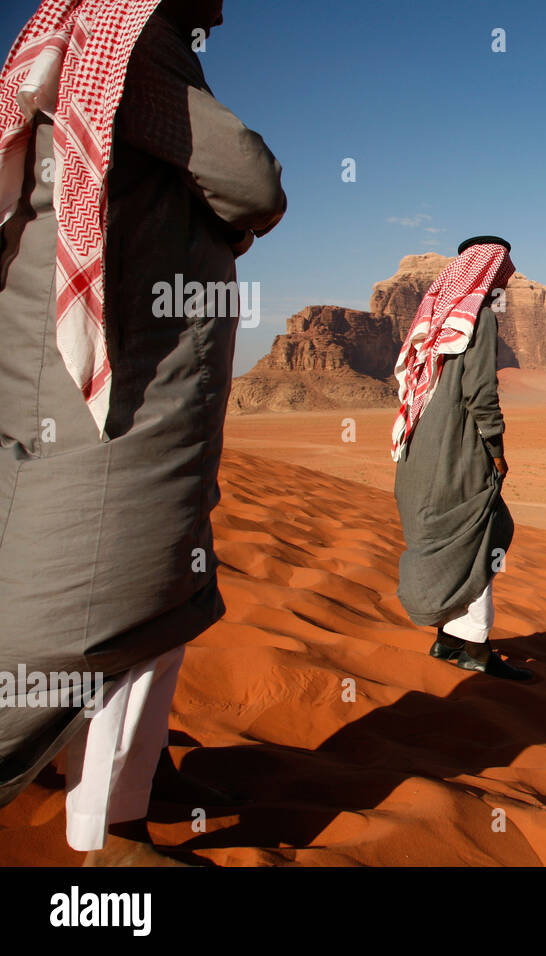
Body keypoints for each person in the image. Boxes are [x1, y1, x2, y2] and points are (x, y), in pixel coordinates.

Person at [0, 0, 285, 864]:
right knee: (124, 590)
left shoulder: (92, 46)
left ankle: (138, 770)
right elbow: (252, 179)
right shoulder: (138, 42)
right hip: (124, 396)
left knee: (148, 580)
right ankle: (110, 828)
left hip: (112, 390)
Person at [392, 235, 531, 681]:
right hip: (458, 454)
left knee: (441, 542)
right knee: (479, 540)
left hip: (417, 455)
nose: (505, 283)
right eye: (503, 273)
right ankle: (476, 648)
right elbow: (481, 396)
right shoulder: (481, 321)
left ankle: (446, 638)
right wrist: (496, 449)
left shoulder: (435, 321)